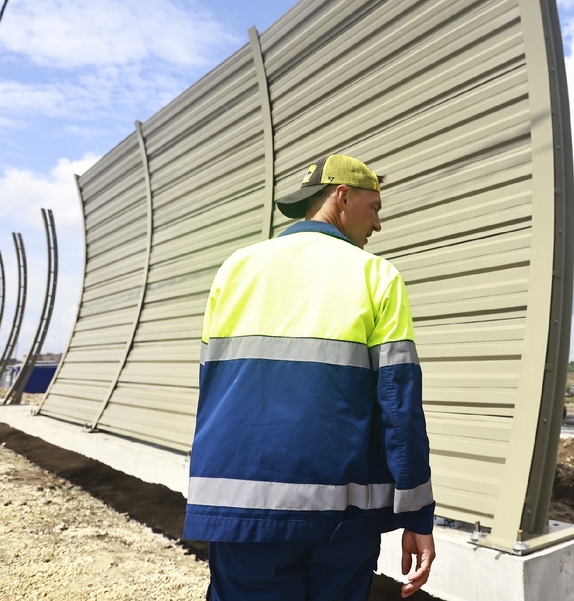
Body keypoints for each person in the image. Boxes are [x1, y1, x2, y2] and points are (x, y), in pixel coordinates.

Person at [184, 153, 436, 601]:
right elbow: (400, 407)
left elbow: (213, 387)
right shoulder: (376, 275)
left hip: (241, 505)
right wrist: (417, 514)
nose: (377, 224)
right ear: (342, 196)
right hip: (339, 514)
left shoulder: (236, 268)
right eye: (375, 207)